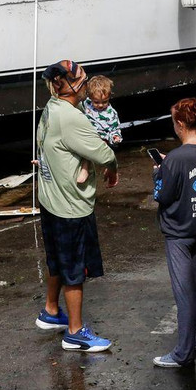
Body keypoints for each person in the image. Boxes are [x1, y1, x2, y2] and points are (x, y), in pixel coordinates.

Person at [33, 59, 119, 352]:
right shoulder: (71, 118)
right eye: (81, 80)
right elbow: (102, 152)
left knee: (57, 260)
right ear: (65, 85)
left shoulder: (51, 108)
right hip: (70, 207)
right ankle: (75, 331)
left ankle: (51, 311)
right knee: (74, 270)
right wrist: (113, 168)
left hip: (49, 200)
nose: (85, 84)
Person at [151, 97, 196, 368]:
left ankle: (183, 353)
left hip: (179, 232)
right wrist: (170, 167)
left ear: (180, 123)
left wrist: (159, 172)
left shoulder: (176, 158)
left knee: (184, 293)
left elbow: (163, 195)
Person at [77, 75, 123, 184]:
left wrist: (115, 137)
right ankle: (86, 169)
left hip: (102, 137)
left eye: (105, 101)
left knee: (102, 152)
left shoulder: (111, 113)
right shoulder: (87, 103)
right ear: (90, 97)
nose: (101, 105)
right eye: (96, 102)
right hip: (88, 132)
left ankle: (87, 170)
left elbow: (114, 128)